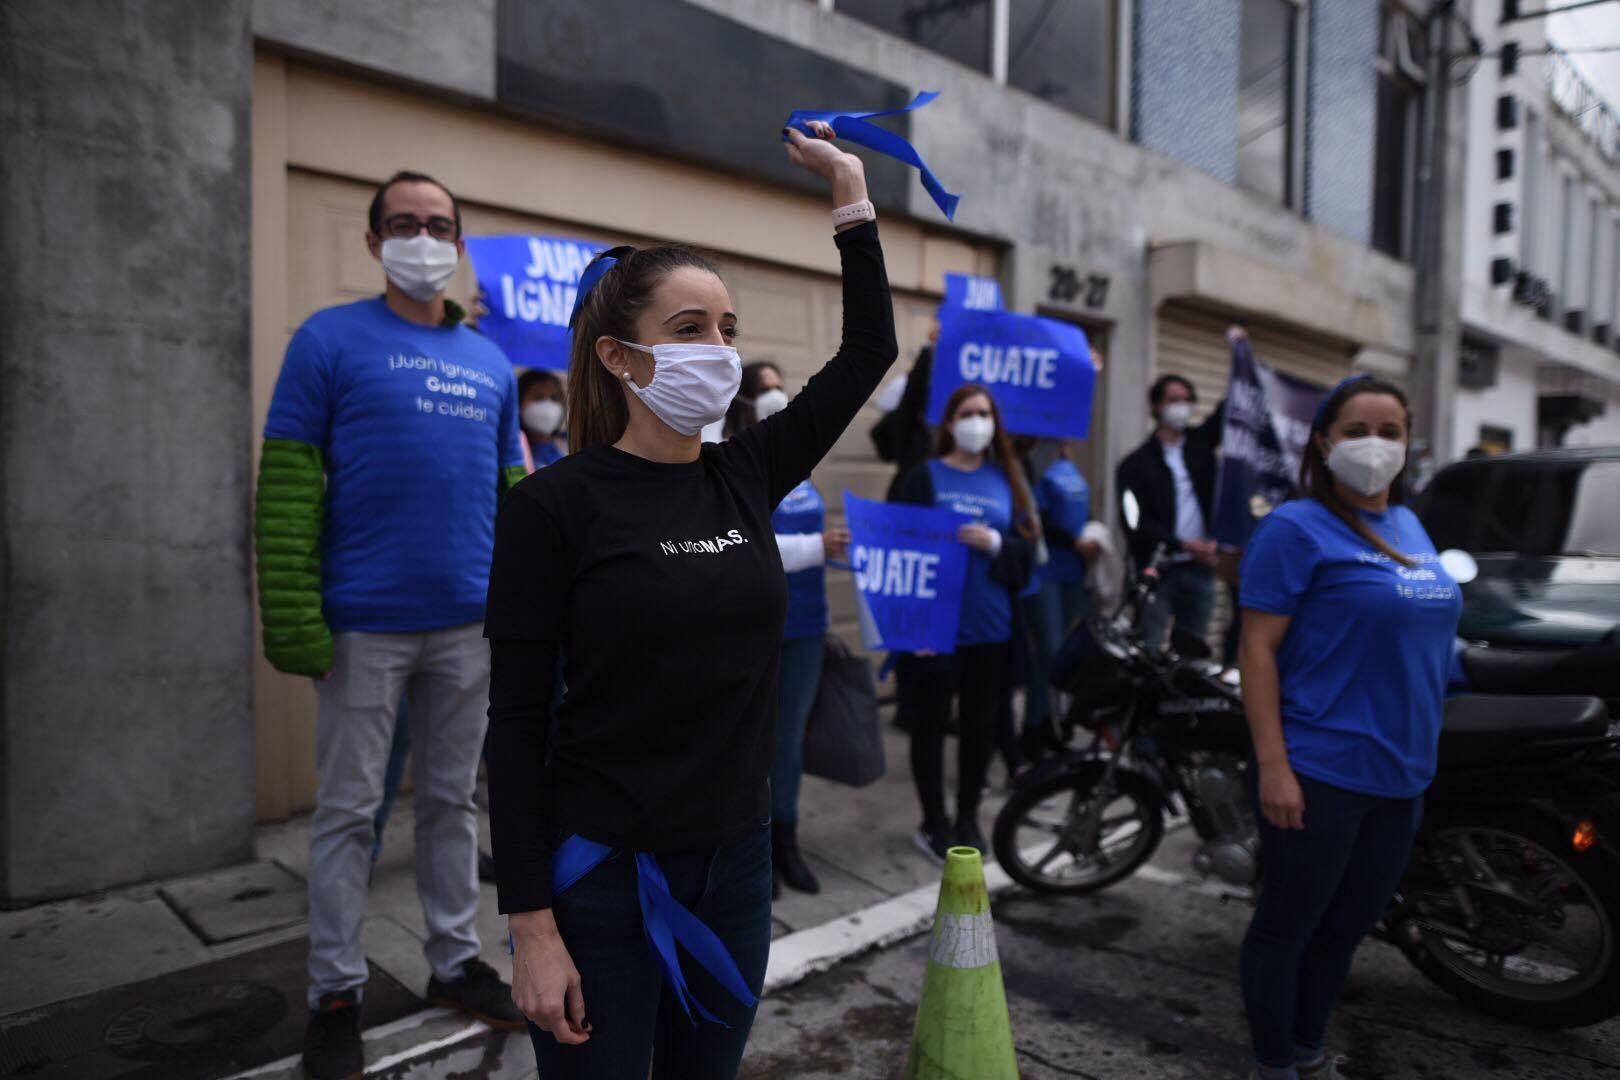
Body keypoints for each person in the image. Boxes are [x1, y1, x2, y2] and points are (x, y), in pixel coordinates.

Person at [484, 122, 895, 1077]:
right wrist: (531, 925)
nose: (717, 350)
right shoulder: (552, 505)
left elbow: (869, 348)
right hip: (602, 883)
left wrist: (850, 196)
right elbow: (513, 724)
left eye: (727, 330)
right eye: (688, 329)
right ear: (621, 360)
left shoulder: (747, 471)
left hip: (735, 868)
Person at [255, 170, 529, 1080]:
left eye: (440, 224)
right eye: (404, 223)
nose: (423, 237)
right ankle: (334, 989)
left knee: (454, 804)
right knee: (347, 813)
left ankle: (455, 960)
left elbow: (514, 496)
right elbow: (290, 491)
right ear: (374, 243)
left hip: (470, 630)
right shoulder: (327, 340)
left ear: (459, 243)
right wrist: (295, 617)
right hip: (364, 628)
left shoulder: (490, 362)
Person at [1236, 375, 1462, 1080]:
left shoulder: (1410, 524)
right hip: (1320, 769)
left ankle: (1309, 1049)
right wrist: (1274, 765)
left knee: (1346, 932)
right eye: (1357, 430)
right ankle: (1275, 1064)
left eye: (1389, 432)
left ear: (1409, 443)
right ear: (1325, 440)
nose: (1374, 445)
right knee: (1288, 928)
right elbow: (1257, 649)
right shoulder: (1293, 528)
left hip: (1403, 774)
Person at [893, 384, 1038, 862]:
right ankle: (933, 821)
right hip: (935, 632)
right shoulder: (923, 477)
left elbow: (1029, 554)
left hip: (992, 629)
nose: (978, 422)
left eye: (985, 414)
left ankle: (968, 813)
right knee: (930, 727)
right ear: (950, 423)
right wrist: (911, 630)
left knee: (980, 729)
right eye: (968, 413)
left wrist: (997, 544)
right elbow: (898, 551)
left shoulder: (1008, 479)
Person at [728, 360, 851, 897]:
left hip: (805, 624)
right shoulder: (735, 463)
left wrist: (837, 545)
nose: (777, 395)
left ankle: (787, 842)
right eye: (764, 388)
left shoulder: (798, 461)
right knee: (750, 738)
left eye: (782, 386)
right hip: (752, 625)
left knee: (791, 741)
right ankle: (750, 847)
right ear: (744, 401)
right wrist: (813, 549)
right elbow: (736, 544)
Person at [1116, 362, 1226, 648]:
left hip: (1201, 570)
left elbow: (1231, 411)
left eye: (1187, 400)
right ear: (1157, 407)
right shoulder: (1136, 464)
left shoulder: (1200, 447)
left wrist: (1241, 354)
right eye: (1174, 400)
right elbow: (1135, 524)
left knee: (1193, 652)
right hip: (1159, 570)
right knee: (1148, 648)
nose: (1182, 407)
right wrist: (1182, 544)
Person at [1018, 437, 1100, 753]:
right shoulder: (1035, 466)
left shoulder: (1069, 465)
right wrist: (1071, 542)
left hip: (1074, 573)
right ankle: (1034, 724)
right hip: (1047, 570)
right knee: (1048, 651)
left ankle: (1054, 724)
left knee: (1067, 654)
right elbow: (1035, 519)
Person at [519, 368, 568, 467]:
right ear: (518, 404)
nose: (548, 404)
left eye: (554, 398)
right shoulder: (513, 451)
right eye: (539, 398)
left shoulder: (571, 445)